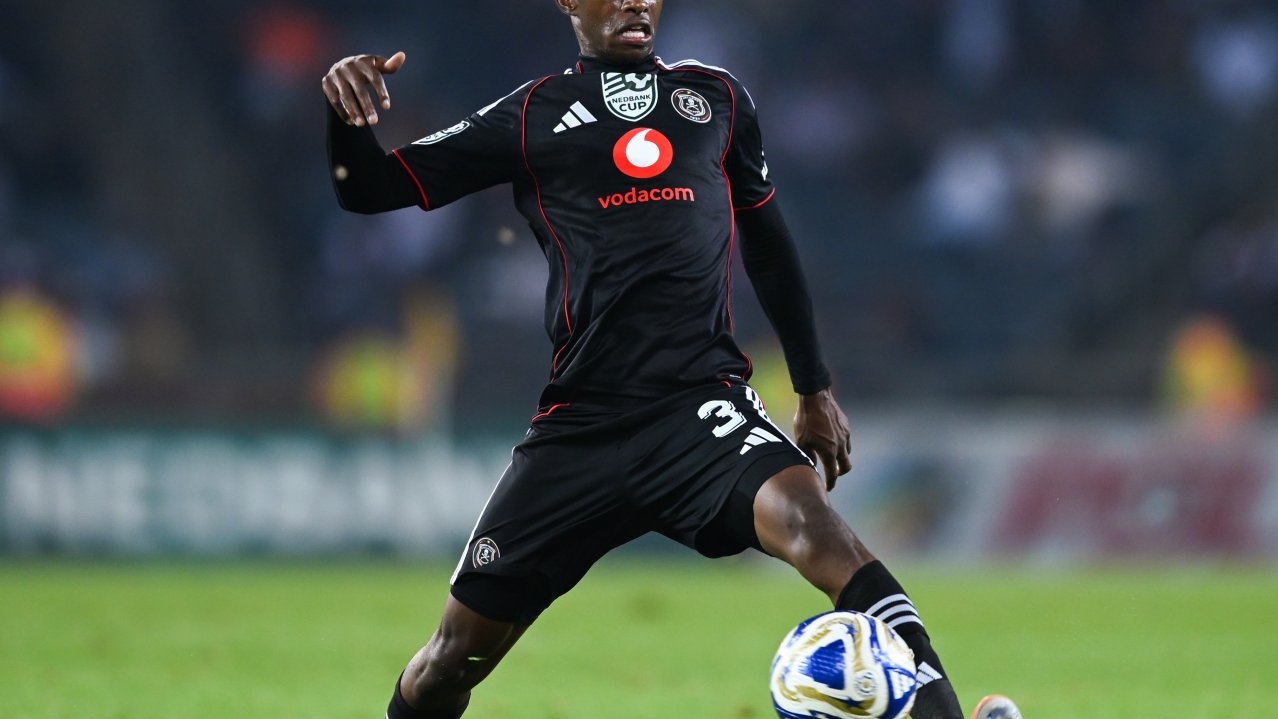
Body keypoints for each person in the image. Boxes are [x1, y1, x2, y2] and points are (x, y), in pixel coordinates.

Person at [322, 2, 966, 718]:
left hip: (700, 408)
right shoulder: (531, 115)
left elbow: (769, 244)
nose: (636, 1)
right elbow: (368, 187)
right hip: (580, 431)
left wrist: (814, 387)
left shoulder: (716, 99)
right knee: (449, 660)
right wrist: (345, 115)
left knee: (818, 531)